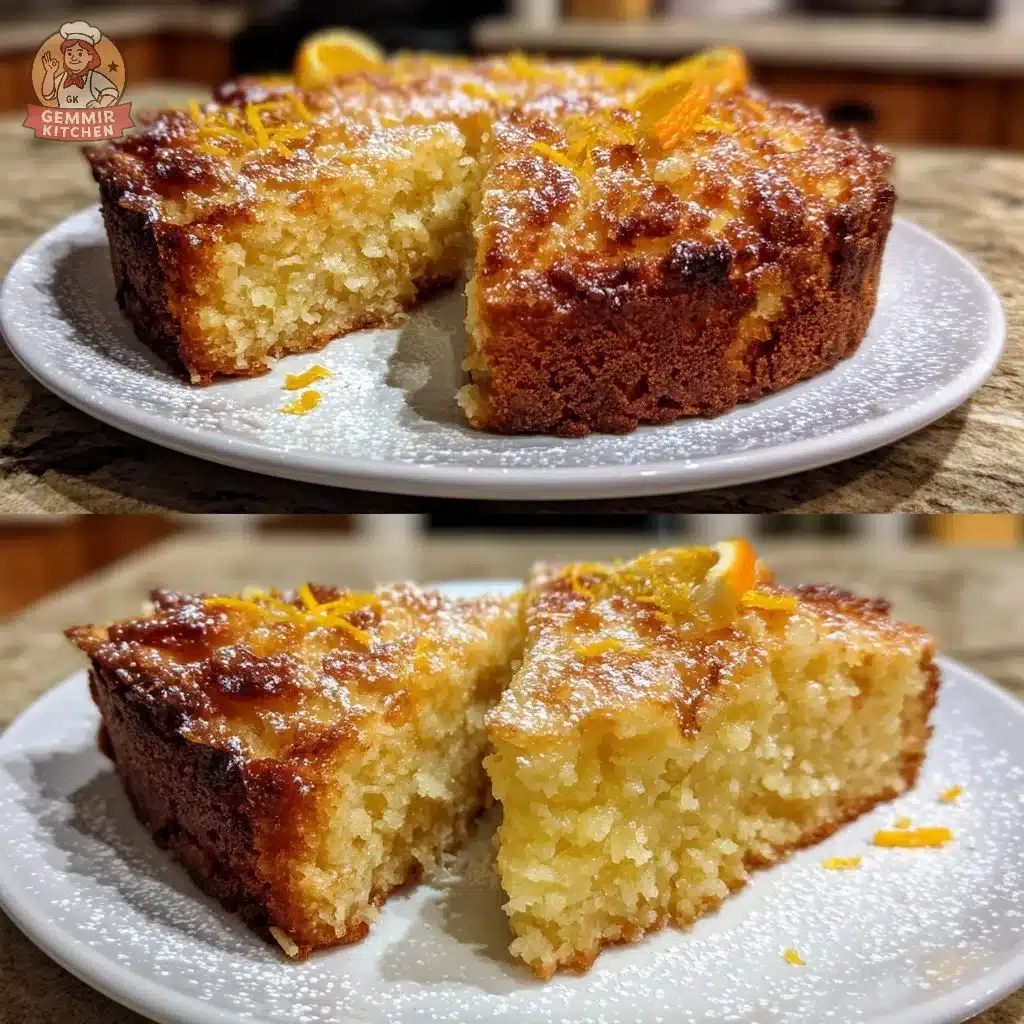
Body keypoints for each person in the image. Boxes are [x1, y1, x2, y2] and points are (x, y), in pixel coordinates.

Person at [40, 21, 119, 109]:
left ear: (90, 57)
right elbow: (48, 95)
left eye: (80, 54)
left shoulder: (93, 77)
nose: (74, 58)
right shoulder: (62, 78)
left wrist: (100, 104)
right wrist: (50, 73)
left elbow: (111, 92)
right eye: (69, 54)